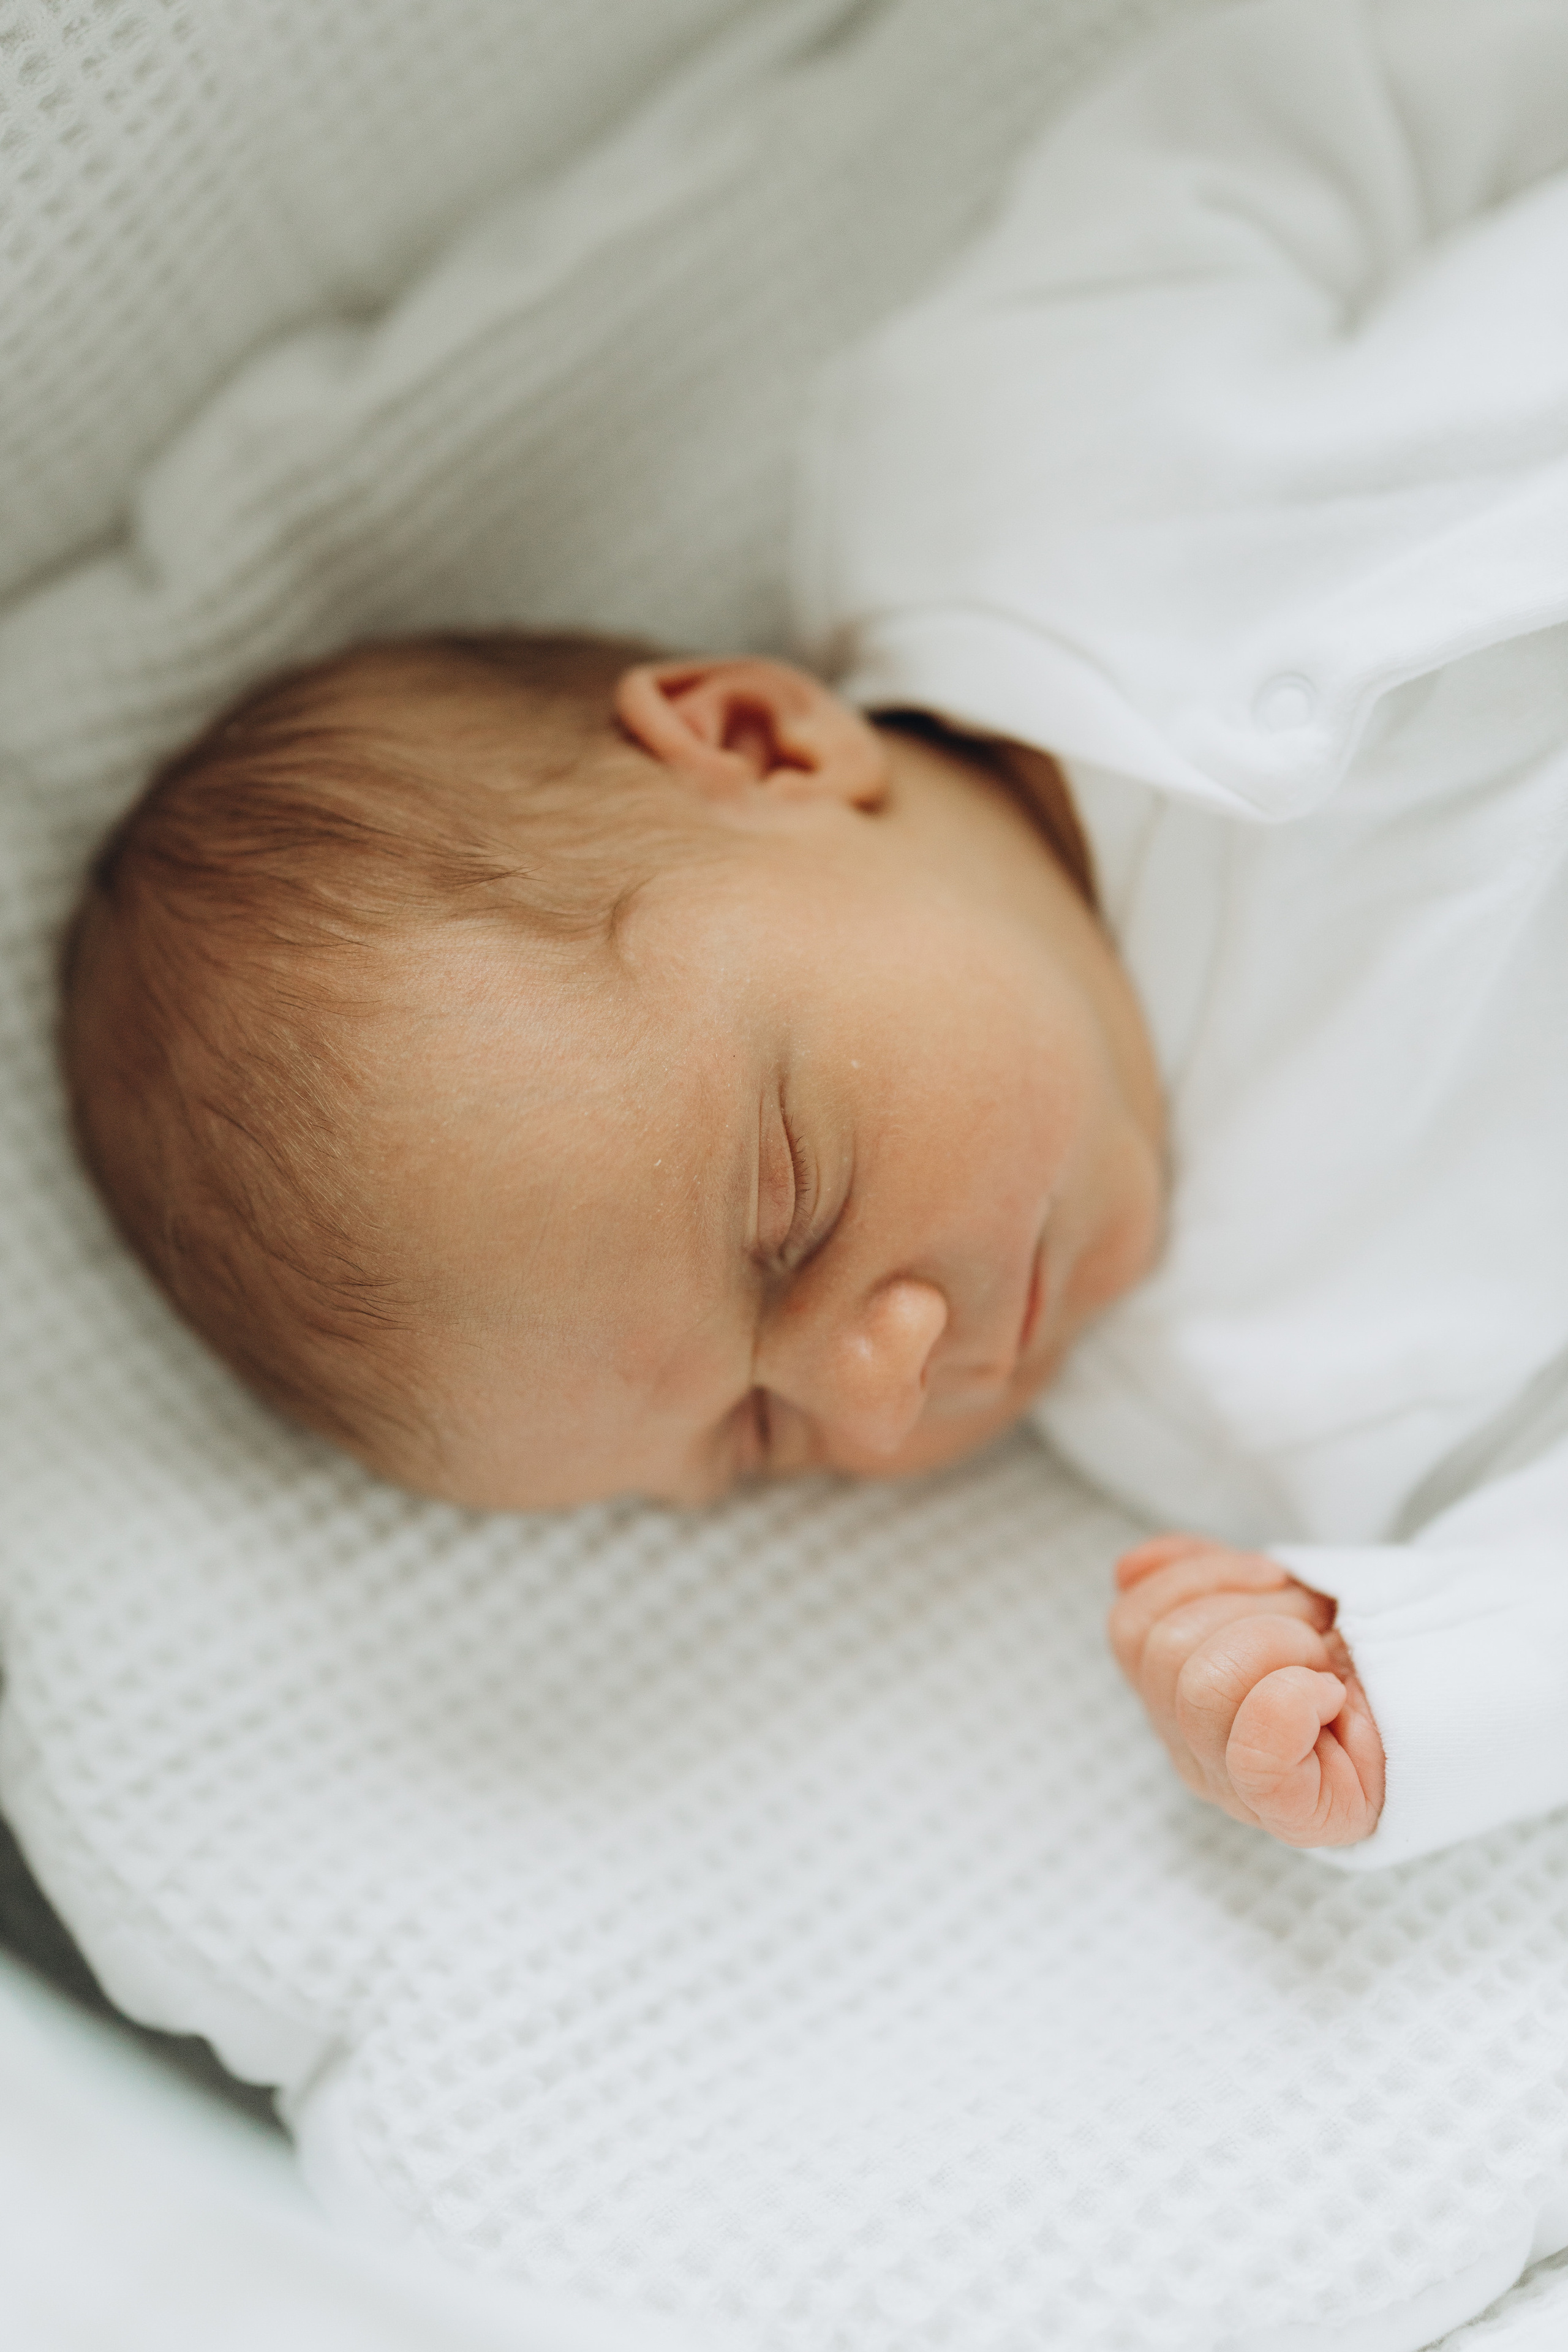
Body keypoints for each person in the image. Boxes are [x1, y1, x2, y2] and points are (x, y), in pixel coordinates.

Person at [62, 0, 1568, 1872]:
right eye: (762, 1440)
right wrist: (1436, 1676)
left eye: (792, 1211)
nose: (883, 1389)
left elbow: (1353, 90)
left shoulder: (1001, 459)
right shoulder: (1254, 1385)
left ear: (763, 744)